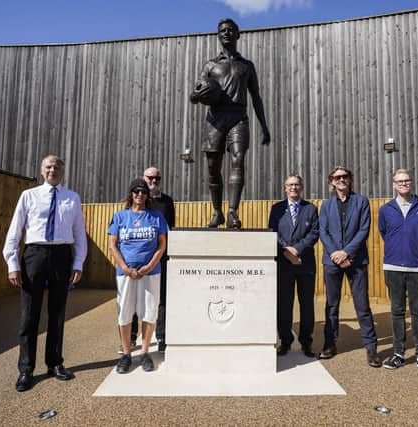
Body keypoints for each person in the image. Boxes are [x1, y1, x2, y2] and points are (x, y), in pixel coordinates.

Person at [3, 155, 87, 392]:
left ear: (63, 171)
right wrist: (12, 263)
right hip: (35, 254)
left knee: (57, 312)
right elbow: (15, 229)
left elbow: (79, 232)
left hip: (62, 255)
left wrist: (78, 262)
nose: (53, 170)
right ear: (42, 170)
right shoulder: (28, 196)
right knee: (29, 314)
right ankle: (26, 369)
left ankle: (55, 363)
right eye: (49, 166)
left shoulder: (72, 198)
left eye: (57, 167)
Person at [190, 18, 270, 229]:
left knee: (238, 159)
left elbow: (257, 97)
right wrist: (197, 95)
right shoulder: (210, 65)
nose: (226, 33)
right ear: (218, 35)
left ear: (238, 34)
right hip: (215, 119)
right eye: (222, 30)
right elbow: (194, 94)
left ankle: (233, 211)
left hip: (238, 117)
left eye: (230, 30)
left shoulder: (247, 66)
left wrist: (264, 126)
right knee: (212, 167)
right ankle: (217, 212)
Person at [378, 169, 418, 377]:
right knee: (396, 311)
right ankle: (398, 353)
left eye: (407, 180)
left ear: (411, 183)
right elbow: (385, 233)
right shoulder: (385, 209)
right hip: (393, 267)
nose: (403, 184)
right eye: (399, 181)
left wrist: (417, 252)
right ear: (394, 184)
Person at [318, 166, 381, 367]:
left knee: (362, 306)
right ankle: (330, 344)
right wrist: (336, 254)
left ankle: (371, 349)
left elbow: (364, 230)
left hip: (356, 261)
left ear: (350, 179)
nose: (341, 179)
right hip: (332, 261)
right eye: (337, 177)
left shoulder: (361, 202)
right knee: (332, 305)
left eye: (345, 176)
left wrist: (346, 252)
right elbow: (323, 232)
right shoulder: (326, 205)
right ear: (332, 182)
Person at [108, 179, 168, 374]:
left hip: (150, 273)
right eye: (136, 191)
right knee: (124, 312)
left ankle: (144, 353)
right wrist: (125, 268)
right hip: (125, 273)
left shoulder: (156, 216)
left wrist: (149, 266)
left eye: (143, 191)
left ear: (147, 195)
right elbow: (113, 245)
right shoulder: (119, 217)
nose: (140, 195)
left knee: (149, 311)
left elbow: (162, 245)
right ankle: (126, 354)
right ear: (130, 194)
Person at [268, 174, 319, 358]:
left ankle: (306, 342)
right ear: (285, 188)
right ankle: (286, 341)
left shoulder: (311, 209)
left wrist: (296, 250)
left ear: (302, 187)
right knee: (284, 303)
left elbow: (314, 233)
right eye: (290, 185)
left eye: (297, 184)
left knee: (306, 304)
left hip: (305, 262)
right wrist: (287, 252)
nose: (293, 188)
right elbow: (272, 232)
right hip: (283, 263)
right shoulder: (276, 209)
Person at [129, 167, 175, 352]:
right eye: (150, 178)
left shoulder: (167, 202)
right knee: (133, 298)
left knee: (161, 298)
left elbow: (170, 229)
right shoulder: (137, 200)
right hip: (138, 257)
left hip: (160, 256)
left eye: (157, 178)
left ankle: (161, 336)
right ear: (143, 178)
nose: (154, 181)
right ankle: (132, 337)